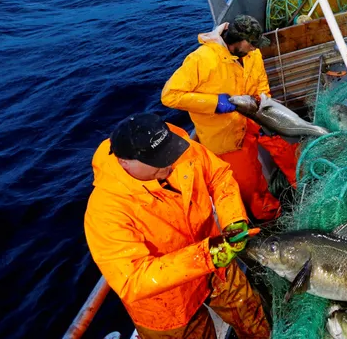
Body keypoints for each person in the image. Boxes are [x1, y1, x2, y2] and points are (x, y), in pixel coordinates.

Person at [84, 113, 270, 339]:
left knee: (251, 315)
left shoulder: (176, 145)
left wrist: (233, 220)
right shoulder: (105, 211)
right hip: (168, 306)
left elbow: (218, 175)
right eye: (159, 160)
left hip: (216, 263)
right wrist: (205, 256)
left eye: (169, 152)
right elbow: (132, 278)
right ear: (125, 162)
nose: (170, 162)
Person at [161, 15, 299, 222]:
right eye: (252, 44)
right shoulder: (202, 59)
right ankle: (269, 215)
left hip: (254, 117)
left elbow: (261, 84)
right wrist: (215, 103)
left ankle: (303, 183)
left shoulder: (253, 55)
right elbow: (169, 95)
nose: (255, 49)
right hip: (225, 136)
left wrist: (265, 110)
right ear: (239, 41)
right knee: (250, 182)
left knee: (286, 146)